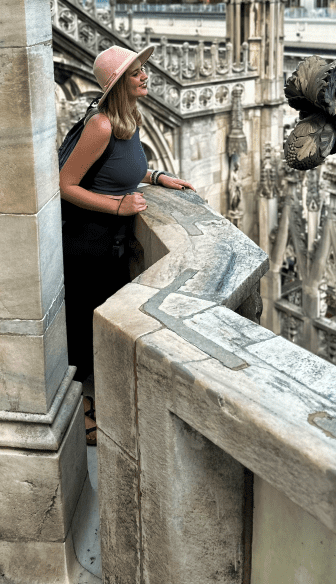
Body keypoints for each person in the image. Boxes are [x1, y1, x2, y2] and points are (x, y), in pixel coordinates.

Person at [59, 44, 195, 442]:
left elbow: (121, 168)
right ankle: (82, 414)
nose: (145, 76)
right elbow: (64, 185)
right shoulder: (100, 125)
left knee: (102, 326)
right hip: (88, 244)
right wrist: (118, 205)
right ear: (119, 83)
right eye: (137, 72)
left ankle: (95, 404)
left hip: (111, 244)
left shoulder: (128, 119)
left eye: (143, 69)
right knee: (86, 330)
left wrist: (156, 177)